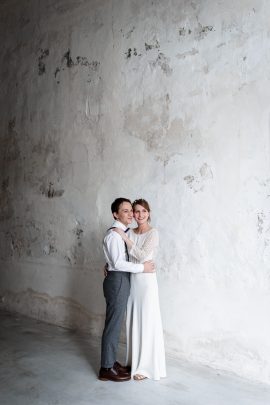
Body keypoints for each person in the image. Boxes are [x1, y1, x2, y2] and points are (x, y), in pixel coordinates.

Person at [99, 198, 155, 382]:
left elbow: (114, 260)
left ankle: (111, 362)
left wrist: (107, 264)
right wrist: (142, 268)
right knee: (113, 325)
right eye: (126, 211)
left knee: (115, 323)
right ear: (115, 214)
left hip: (121, 279)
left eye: (131, 210)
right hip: (118, 280)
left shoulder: (125, 232)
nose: (131, 214)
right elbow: (118, 263)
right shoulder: (115, 234)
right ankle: (106, 368)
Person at [113, 198, 166, 381]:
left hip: (146, 282)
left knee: (146, 320)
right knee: (132, 320)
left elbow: (143, 256)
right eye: (136, 211)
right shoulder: (130, 231)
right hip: (132, 280)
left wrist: (125, 237)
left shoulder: (153, 233)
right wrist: (108, 264)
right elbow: (122, 255)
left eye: (144, 211)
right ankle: (133, 361)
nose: (140, 215)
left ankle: (145, 367)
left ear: (149, 213)